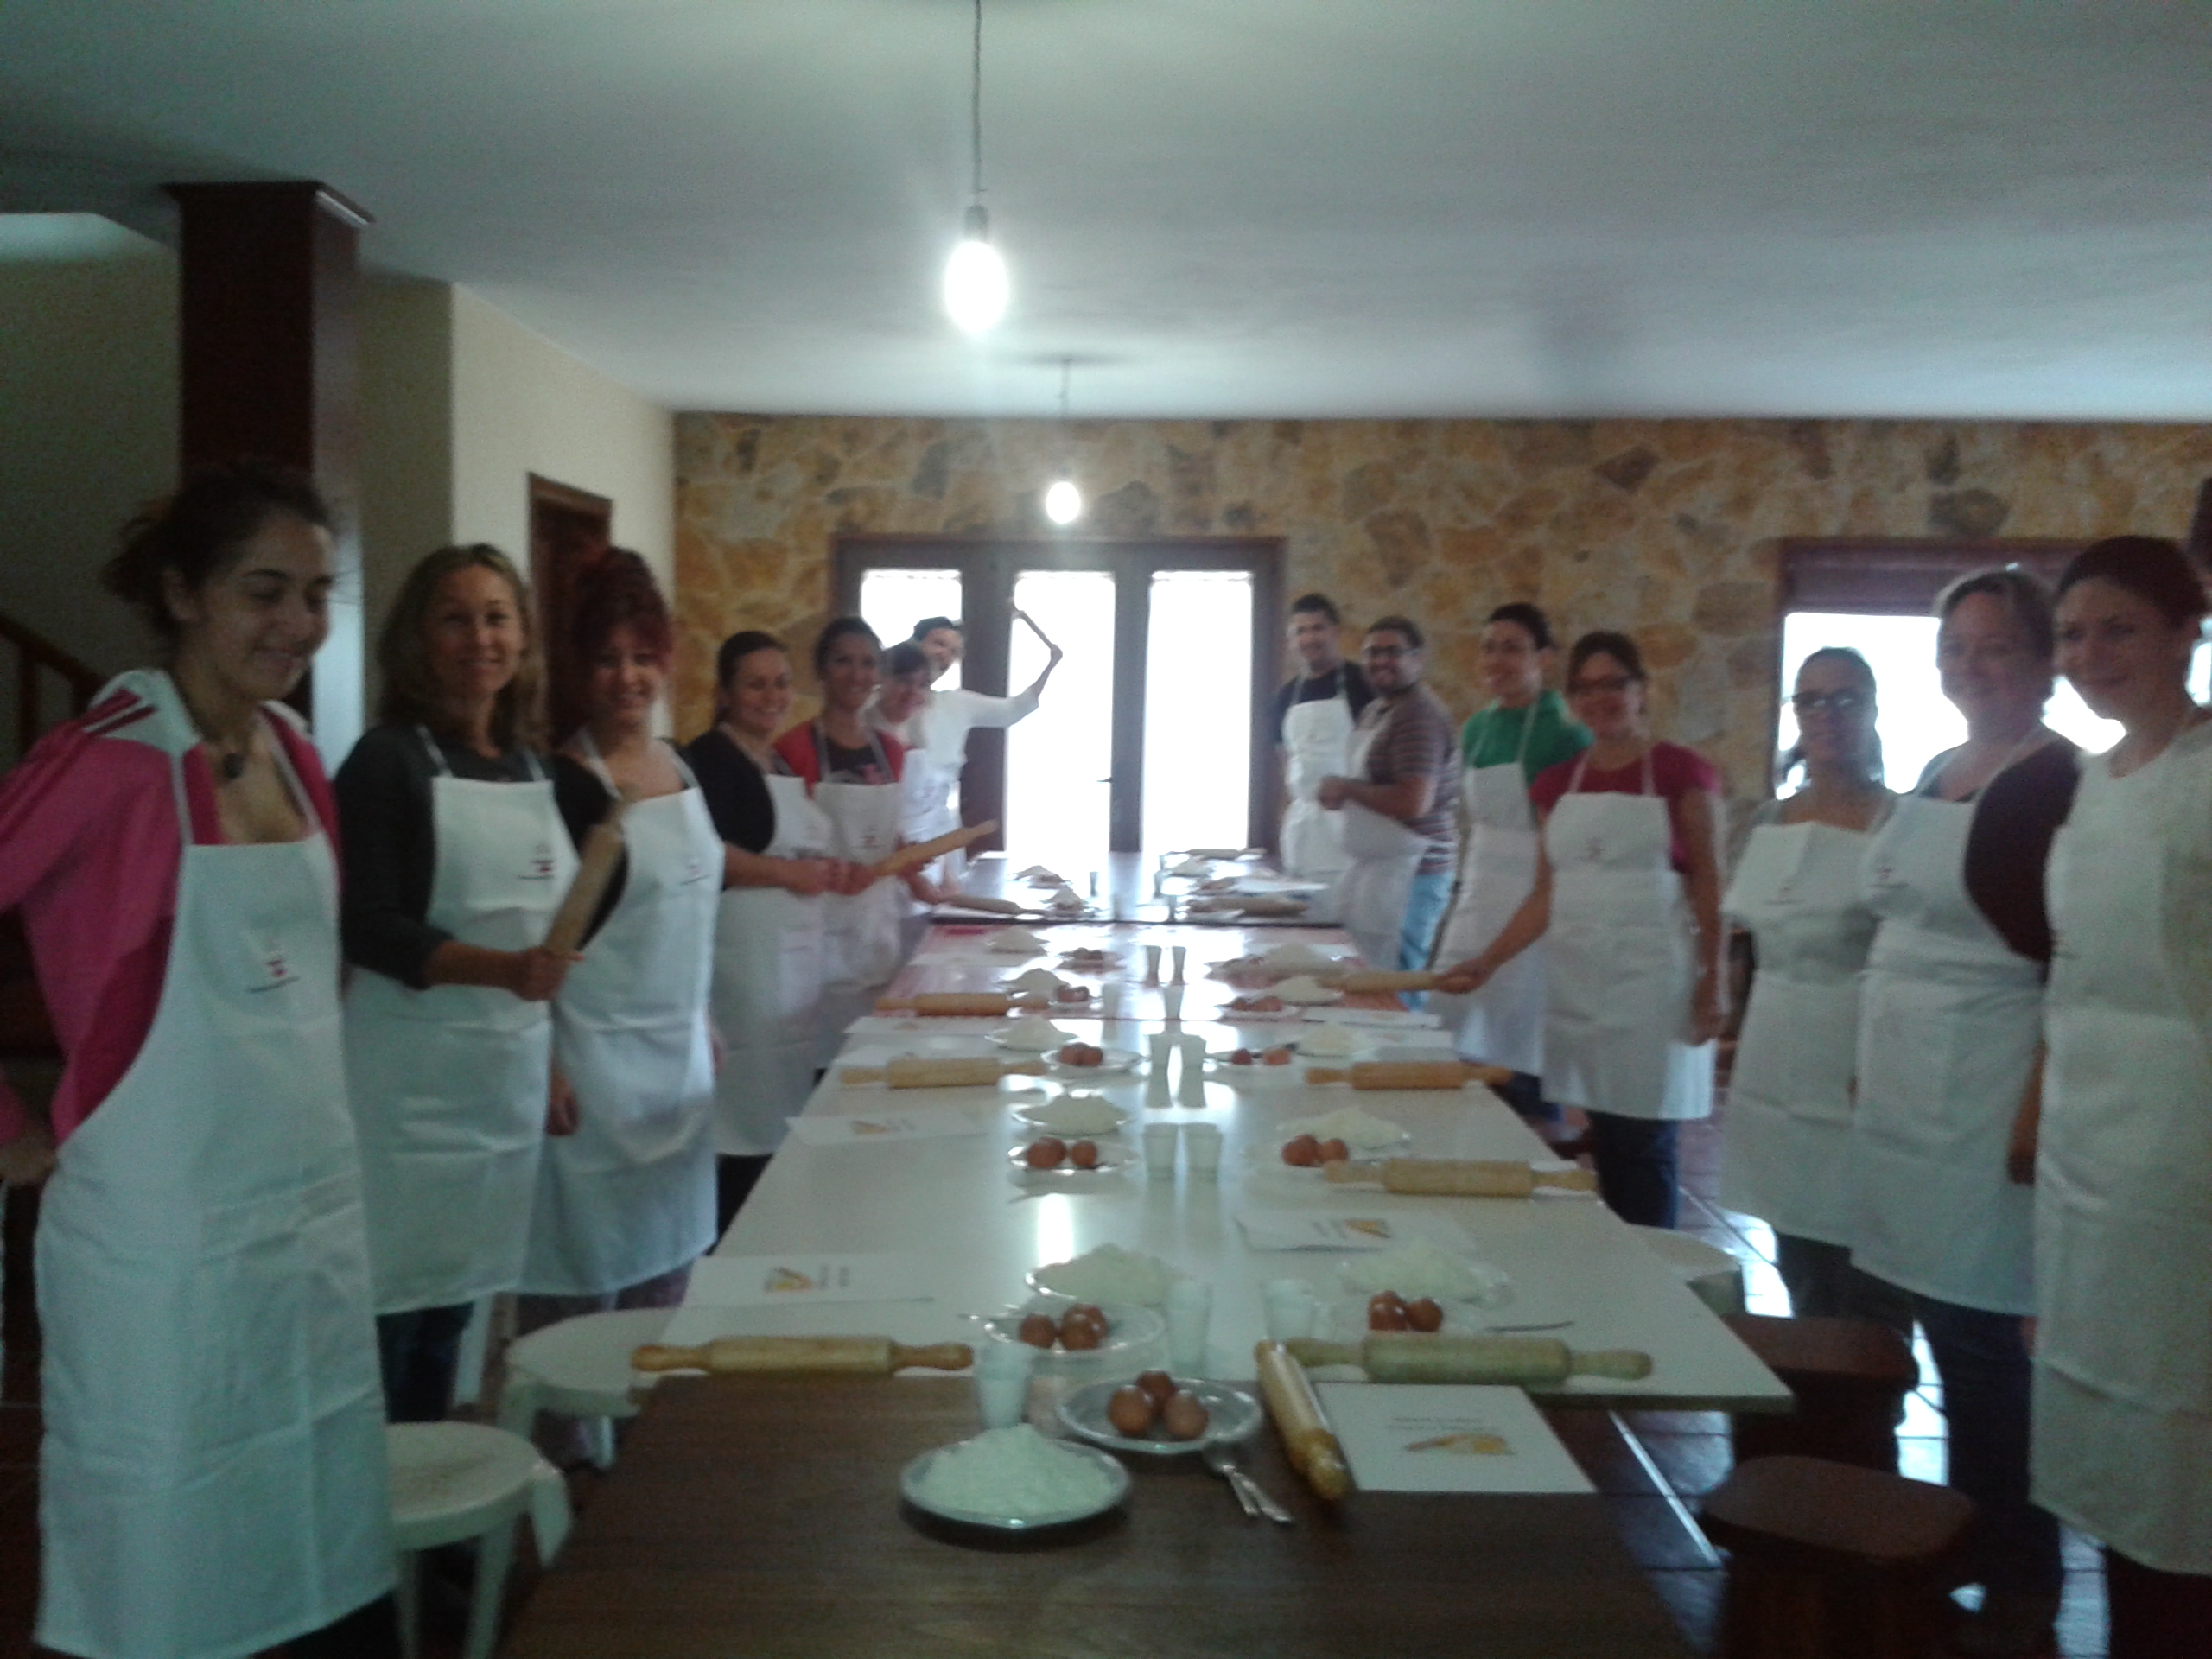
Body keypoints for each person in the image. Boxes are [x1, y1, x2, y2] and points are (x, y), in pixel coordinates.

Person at [0, 463, 396, 1656]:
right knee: (170, 1554)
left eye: (316, 595)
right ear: (181, 594)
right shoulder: (106, 762)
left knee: (315, 1521)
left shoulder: (295, 751)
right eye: (263, 592)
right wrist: (11, 1134)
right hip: (164, 1244)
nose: (298, 626)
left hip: (306, 1224)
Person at [1850, 567, 2075, 1655]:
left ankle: (2022, 1580)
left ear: (2041, 661)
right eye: (1955, 650)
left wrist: (2035, 1102)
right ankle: (1948, 1540)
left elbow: (2072, 961)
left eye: (1996, 649)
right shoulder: (1941, 768)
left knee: (1985, 1347)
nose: (1972, 669)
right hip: (1906, 1083)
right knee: (1926, 1326)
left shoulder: (2058, 779)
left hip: (1985, 1084)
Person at [337, 544, 582, 1424]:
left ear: (522, 635)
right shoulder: (387, 761)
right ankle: (380, 1490)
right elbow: (368, 926)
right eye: (455, 618)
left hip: (501, 1080)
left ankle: (434, 1474)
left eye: (496, 617)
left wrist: (548, 1062)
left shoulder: (530, 768)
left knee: (458, 1307)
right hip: (408, 1087)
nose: (480, 637)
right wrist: (504, 973)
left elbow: (537, 936)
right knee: (391, 1310)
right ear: (417, 638)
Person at [2036, 537, 2212, 1658]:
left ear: (2187, 632)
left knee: (2179, 1445)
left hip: (2185, 1153)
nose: (2089, 655)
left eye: (2118, 629)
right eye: (2071, 634)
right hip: (2086, 1145)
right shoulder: (2094, 778)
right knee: (2105, 1440)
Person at [516, 551, 721, 1458]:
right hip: (592, 1074)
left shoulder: (679, 766)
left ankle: (643, 1465)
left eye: (643, 656)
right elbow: (536, 941)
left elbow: (692, 915)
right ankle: (565, 1469)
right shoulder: (562, 785)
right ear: (577, 668)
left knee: (664, 1290)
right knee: (576, 1302)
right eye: (607, 659)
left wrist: (704, 1013)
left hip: (678, 1068)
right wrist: (545, 1060)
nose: (628, 678)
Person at [1436, 631, 1725, 1229]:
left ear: (1642, 690)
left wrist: (1713, 979)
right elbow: (1547, 894)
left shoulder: (1681, 772)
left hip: (1653, 985)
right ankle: (1621, 1252)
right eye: (1587, 688)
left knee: (1645, 1138)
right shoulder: (1557, 784)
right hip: (1581, 981)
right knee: (1606, 1132)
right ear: (1572, 701)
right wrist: (1488, 960)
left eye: (1615, 683)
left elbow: (1709, 882)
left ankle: (1651, 1261)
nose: (1601, 698)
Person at [1719, 648, 1910, 1333]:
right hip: (1774, 1051)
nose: (1827, 714)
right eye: (1811, 699)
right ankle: (1818, 1377)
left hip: (1859, 1047)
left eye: (1846, 698)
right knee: (1797, 1243)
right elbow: (1746, 942)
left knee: (1866, 1257)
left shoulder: (1900, 821)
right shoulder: (1769, 821)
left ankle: (1872, 1387)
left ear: (1874, 709)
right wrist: (1729, 1018)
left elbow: (1909, 957)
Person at [685, 632, 850, 1229]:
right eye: (755, 684)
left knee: (778, 1121)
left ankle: (775, 1235)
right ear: (724, 693)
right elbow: (705, 853)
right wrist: (790, 873)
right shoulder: (710, 759)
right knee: (741, 1126)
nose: (772, 696)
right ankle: (730, 1244)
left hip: (787, 967)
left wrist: (822, 870)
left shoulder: (774, 759)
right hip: (743, 968)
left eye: (781, 683)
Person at [1426, 603, 1589, 1125]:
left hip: (1536, 893)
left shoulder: (1566, 732)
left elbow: (1568, 835)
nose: (1496, 660)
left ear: (1544, 658)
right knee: (1455, 1014)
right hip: (1479, 887)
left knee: (1523, 1025)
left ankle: (1533, 1134)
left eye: (1512, 649)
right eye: (1489, 648)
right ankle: (1463, 1131)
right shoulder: (1477, 727)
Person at [776, 619, 935, 1067]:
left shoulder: (891, 750)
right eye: (843, 661)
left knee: (875, 1063)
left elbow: (885, 831)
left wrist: (908, 864)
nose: (857, 674)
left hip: (878, 926)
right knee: (823, 1065)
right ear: (821, 671)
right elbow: (784, 843)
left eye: (868, 663)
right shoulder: (793, 749)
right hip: (818, 927)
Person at [1317, 616, 1459, 974]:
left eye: (1393, 652)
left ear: (1417, 658)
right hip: (1381, 867)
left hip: (1414, 871)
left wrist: (1347, 788)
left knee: (1396, 980)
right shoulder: (1376, 710)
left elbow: (1413, 802)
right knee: (1369, 973)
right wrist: (1344, 794)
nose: (1381, 661)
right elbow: (1374, 784)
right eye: (1372, 653)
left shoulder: (1418, 715)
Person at [899, 613, 1062, 869]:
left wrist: (1050, 667)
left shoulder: (956, 703)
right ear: (914, 644)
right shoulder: (879, 701)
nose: (945, 655)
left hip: (939, 828)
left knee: (943, 889)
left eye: (953, 652)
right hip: (889, 824)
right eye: (939, 644)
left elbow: (1013, 710)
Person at [1273, 593, 1374, 881]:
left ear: (1335, 632)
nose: (1309, 639)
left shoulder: (1362, 683)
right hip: (1301, 825)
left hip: (1350, 820)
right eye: (1300, 631)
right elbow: (1285, 759)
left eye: (1317, 628)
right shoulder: (1284, 697)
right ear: (1291, 640)